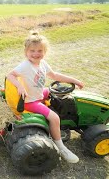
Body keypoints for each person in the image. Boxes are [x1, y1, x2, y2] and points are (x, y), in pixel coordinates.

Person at [6, 31, 84, 163]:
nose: (36, 54)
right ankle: (60, 146)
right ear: (26, 52)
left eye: (39, 50)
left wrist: (74, 80)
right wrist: (19, 86)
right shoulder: (25, 65)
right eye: (32, 51)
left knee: (59, 92)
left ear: (44, 51)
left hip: (39, 93)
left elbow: (54, 76)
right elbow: (10, 75)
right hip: (30, 101)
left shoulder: (42, 63)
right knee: (54, 117)